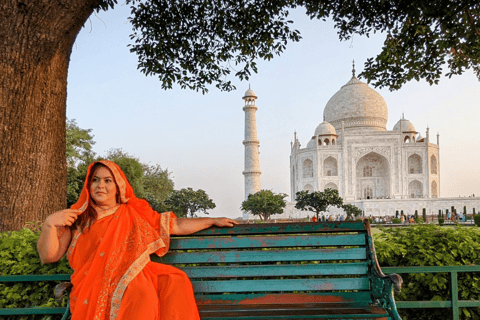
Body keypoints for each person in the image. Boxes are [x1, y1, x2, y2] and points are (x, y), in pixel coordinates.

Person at [37, 160, 237, 320]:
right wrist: (49, 225)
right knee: (138, 293)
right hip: (91, 286)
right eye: (95, 180)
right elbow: (49, 256)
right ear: (88, 185)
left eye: (108, 181)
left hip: (131, 278)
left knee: (147, 292)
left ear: (118, 187)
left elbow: (174, 226)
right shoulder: (76, 217)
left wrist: (211, 220)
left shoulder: (133, 212)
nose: (100, 185)